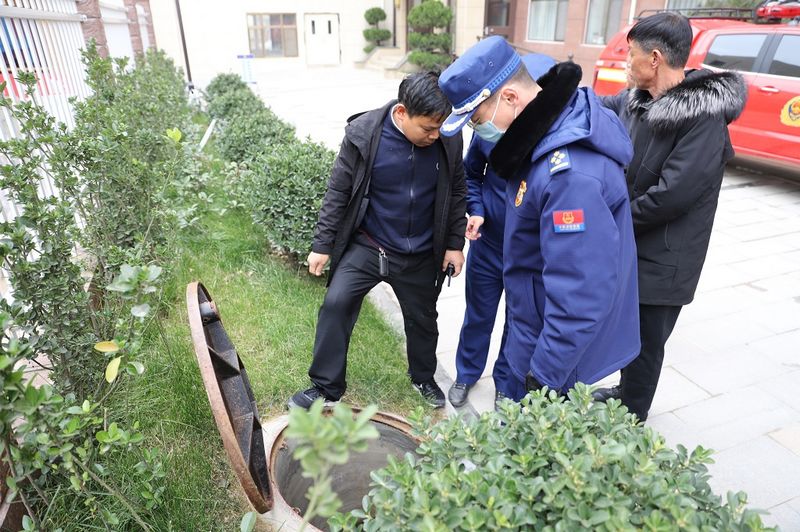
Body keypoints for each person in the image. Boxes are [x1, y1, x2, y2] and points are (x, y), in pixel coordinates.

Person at [438, 36, 640, 400]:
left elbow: (579, 292)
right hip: (532, 325)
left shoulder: (568, 176)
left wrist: (542, 376)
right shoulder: (541, 136)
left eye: (477, 120)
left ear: (510, 98)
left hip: (547, 356)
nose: (478, 131)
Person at [592, 12, 747, 422]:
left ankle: (632, 416)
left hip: (667, 253)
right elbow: (599, 107)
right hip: (635, 240)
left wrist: (611, 221)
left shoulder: (703, 118)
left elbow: (671, 196)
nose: (626, 60)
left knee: (647, 340)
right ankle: (625, 391)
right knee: (629, 328)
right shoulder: (639, 100)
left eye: (631, 53)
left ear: (655, 58)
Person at [288, 72, 466, 410]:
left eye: (440, 127)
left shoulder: (447, 138)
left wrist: (454, 244)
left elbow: (458, 190)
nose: (435, 135)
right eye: (428, 128)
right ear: (402, 113)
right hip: (370, 245)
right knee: (336, 304)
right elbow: (338, 191)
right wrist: (322, 245)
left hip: (421, 251)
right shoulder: (363, 136)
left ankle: (423, 377)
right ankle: (325, 386)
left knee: (423, 319)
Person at [448, 53, 556, 409]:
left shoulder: (550, 143)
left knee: (518, 322)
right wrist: (477, 211)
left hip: (528, 256)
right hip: (489, 246)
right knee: (478, 314)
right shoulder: (490, 130)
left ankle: (506, 383)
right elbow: (471, 174)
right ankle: (466, 373)